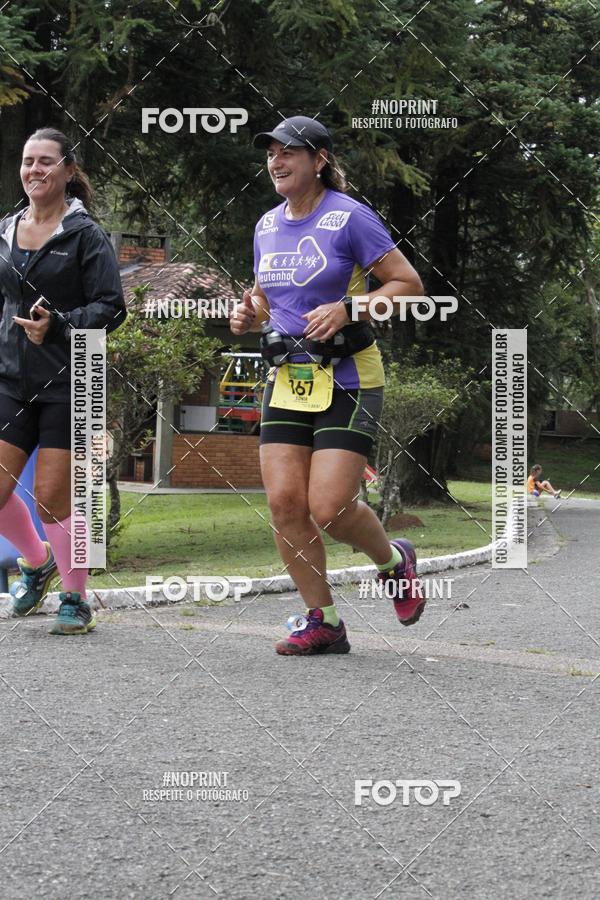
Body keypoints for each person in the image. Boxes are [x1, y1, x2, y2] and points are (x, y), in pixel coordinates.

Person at [231, 115, 425, 656]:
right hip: (287, 378)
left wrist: (349, 307)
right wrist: (250, 312)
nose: (276, 161)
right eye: (270, 153)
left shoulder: (349, 217)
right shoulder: (267, 225)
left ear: (319, 160)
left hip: (348, 376)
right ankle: (324, 621)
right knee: (285, 504)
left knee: (331, 508)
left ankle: (394, 562)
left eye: (288, 152)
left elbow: (408, 285)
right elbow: (269, 294)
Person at [0, 127, 127, 634]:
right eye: (28, 160)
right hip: (10, 377)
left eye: (46, 161)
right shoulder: (6, 230)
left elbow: (112, 308)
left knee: (54, 496)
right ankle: (36, 562)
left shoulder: (85, 235)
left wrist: (60, 324)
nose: (34, 169)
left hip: (71, 380)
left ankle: (76, 600)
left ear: (69, 171)